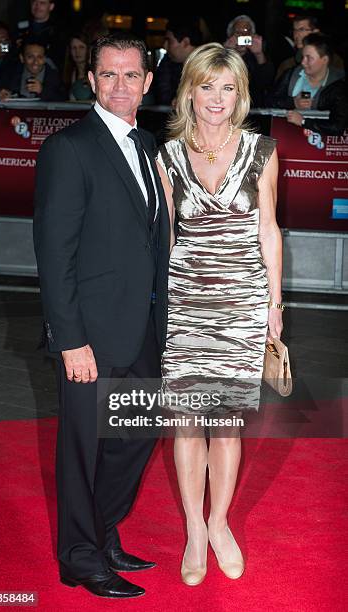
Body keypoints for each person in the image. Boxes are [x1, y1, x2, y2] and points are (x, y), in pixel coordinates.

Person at [33, 34, 170, 599]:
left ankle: (104, 531)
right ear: (91, 81)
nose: (120, 85)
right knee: (84, 449)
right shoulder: (70, 149)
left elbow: (152, 242)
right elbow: (54, 251)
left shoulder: (150, 146)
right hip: (90, 334)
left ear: (147, 81)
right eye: (108, 75)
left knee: (134, 439)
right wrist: (69, 339)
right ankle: (80, 556)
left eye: (130, 75)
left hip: (145, 329)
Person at [156, 42, 283, 585]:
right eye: (206, 85)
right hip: (184, 304)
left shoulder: (262, 150)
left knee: (225, 426)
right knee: (186, 426)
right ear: (189, 89)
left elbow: (269, 230)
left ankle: (219, 522)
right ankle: (192, 528)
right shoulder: (167, 156)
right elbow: (162, 238)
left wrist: (275, 308)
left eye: (227, 87)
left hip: (241, 305)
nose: (216, 97)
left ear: (240, 94)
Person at [267, 34, 347, 135]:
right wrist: (293, 102)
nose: (303, 62)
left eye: (309, 58)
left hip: (323, 146)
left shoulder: (338, 84)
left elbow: (338, 126)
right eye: (303, 56)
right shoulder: (291, 75)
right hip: (287, 139)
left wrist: (304, 121)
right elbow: (269, 101)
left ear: (325, 60)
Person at [224, 14, 275, 107]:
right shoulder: (223, 53)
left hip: (252, 109)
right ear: (230, 35)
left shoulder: (256, 56)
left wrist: (259, 54)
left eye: (246, 31)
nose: (242, 35)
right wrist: (226, 52)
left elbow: (266, 83)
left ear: (252, 35)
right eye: (237, 32)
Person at [0, 38, 66, 101]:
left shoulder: (54, 77)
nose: (35, 62)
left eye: (40, 57)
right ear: (22, 58)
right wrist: (1, 94)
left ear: (45, 59)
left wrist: (42, 91)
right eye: (30, 57)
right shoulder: (11, 74)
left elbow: (64, 100)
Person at [153, 19, 203, 105]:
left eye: (169, 41)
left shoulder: (208, 68)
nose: (164, 46)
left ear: (185, 42)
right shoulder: (170, 63)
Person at [15, 0, 66, 71]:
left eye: (42, 3)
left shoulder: (59, 32)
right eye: (34, 2)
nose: (37, 6)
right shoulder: (21, 28)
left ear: (51, 6)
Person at [63, 33, 93, 101]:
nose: (77, 52)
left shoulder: (95, 72)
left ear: (88, 49)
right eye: (74, 48)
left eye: (81, 47)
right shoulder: (68, 73)